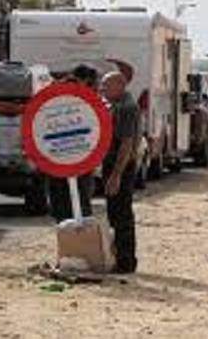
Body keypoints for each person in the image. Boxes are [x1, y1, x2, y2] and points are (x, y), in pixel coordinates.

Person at [48, 64, 98, 223]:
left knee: (59, 198)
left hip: (54, 152)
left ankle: (63, 227)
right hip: (78, 151)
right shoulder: (81, 94)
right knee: (80, 199)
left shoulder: (54, 89)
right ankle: (79, 230)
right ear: (86, 80)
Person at [101, 71, 139, 274]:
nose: (102, 89)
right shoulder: (116, 105)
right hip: (116, 165)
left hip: (121, 166)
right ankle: (120, 257)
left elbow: (126, 144)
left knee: (121, 215)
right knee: (115, 213)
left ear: (120, 86)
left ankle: (125, 261)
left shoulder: (126, 108)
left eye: (106, 85)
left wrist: (116, 175)